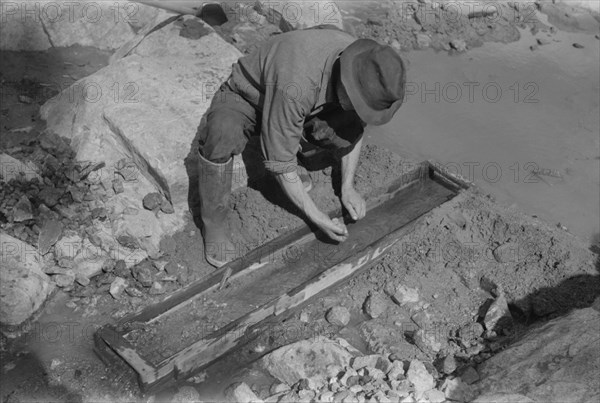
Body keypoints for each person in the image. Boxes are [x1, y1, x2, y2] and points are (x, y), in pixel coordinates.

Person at [197, 27, 406, 267]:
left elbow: (355, 127)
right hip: (249, 96)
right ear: (346, 82)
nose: (359, 109)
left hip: (297, 103)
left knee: (340, 126)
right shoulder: (297, 81)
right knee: (222, 133)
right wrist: (318, 217)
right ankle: (213, 223)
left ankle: (290, 139)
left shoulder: (361, 63)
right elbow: (280, 165)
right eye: (359, 103)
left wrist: (348, 187)